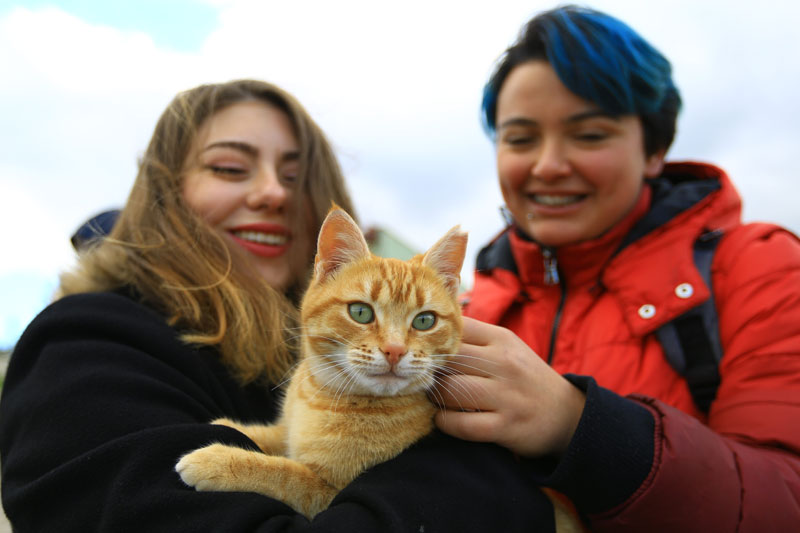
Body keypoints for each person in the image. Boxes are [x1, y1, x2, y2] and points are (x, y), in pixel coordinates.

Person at [0, 80, 555, 531]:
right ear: (163, 193)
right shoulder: (86, 345)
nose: (275, 193)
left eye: (296, 176)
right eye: (229, 168)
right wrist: (493, 484)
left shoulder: (307, 345)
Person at [433, 6, 800, 532]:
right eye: (520, 139)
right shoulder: (475, 302)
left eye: (590, 135)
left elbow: (787, 499)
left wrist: (578, 426)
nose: (549, 165)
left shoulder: (759, 268)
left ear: (654, 149)